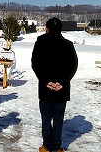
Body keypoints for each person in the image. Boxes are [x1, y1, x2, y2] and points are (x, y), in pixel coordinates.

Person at [31, 17, 78, 152]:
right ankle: (57, 147)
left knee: (46, 117)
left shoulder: (40, 42)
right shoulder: (68, 44)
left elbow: (35, 64)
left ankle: (46, 146)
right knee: (58, 118)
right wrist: (62, 83)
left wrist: (46, 81)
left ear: (47, 28)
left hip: (46, 88)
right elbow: (73, 66)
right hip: (61, 89)